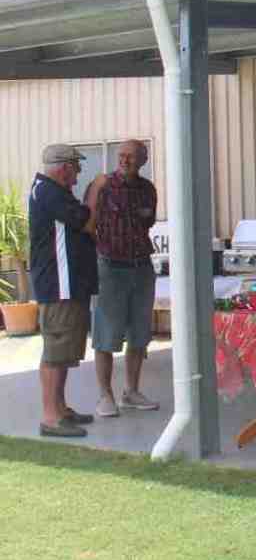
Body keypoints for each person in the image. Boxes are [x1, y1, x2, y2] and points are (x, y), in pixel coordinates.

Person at [84, 140, 159, 417]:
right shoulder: (102, 185)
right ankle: (105, 396)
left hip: (141, 267)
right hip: (110, 268)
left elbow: (147, 222)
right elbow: (87, 222)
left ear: (143, 160)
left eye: (131, 156)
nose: (125, 160)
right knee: (107, 333)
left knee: (139, 333)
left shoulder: (148, 190)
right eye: (122, 155)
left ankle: (132, 391)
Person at [28, 144, 99, 438]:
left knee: (65, 350)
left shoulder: (51, 192)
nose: (79, 173)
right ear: (63, 168)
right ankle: (50, 417)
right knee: (56, 352)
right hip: (60, 286)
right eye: (76, 166)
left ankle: (60, 408)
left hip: (68, 285)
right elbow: (89, 223)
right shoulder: (50, 193)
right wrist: (97, 191)